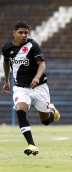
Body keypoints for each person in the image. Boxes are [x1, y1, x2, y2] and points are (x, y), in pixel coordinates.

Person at [1, 20, 60, 156]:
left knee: (45, 121)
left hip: (39, 87)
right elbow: (6, 62)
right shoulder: (7, 48)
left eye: (26, 33)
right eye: (20, 33)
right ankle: (31, 144)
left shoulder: (33, 45)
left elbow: (42, 64)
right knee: (20, 111)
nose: (23, 35)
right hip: (21, 88)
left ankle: (52, 110)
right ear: (14, 33)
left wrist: (36, 78)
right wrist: (7, 81)